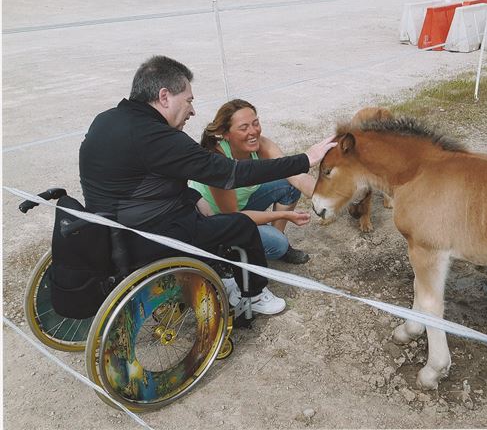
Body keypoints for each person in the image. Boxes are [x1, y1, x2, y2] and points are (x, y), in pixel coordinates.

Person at [79, 55, 335, 315]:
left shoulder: (106, 120)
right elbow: (231, 174)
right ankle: (254, 294)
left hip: (108, 231)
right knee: (240, 226)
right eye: (189, 100)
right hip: (150, 237)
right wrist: (306, 159)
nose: (192, 110)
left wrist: (191, 195)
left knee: (211, 215)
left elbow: (136, 183)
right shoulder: (158, 137)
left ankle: (223, 272)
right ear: (164, 96)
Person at [189, 99, 317, 265]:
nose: (253, 132)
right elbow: (234, 217)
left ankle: (272, 241)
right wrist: (284, 214)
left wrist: (326, 196)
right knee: (278, 244)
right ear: (225, 134)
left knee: (288, 186)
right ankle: (229, 252)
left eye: (255, 123)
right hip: (218, 221)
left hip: (238, 207)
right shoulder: (218, 162)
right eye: (244, 127)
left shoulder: (260, 144)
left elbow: (294, 174)